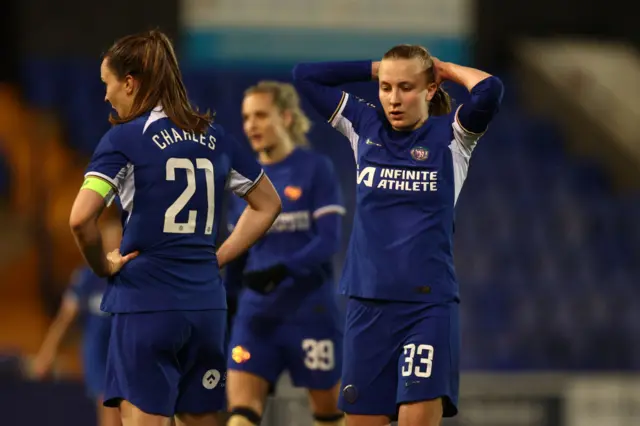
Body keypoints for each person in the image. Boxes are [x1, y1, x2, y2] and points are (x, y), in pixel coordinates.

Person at [68, 30, 281, 426]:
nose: (105, 96)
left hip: (145, 307)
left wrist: (103, 266)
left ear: (130, 83)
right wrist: (216, 257)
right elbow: (268, 204)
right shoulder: (216, 138)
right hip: (206, 306)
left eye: (108, 84)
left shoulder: (123, 141)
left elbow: (80, 219)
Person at [292, 45, 504, 426]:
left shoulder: (453, 137)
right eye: (386, 87)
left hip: (426, 308)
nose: (393, 98)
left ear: (428, 90)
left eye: (405, 87)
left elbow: (490, 90)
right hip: (367, 305)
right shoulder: (363, 124)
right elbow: (304, 74)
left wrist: (444, 68)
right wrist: (377, 68)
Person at [223, 81, 346, 426]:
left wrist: (281, 270)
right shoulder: (241, 181)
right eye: (247, 117)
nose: (251, 125)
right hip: (256, 316)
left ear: (287, 117)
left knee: (329, 414)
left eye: (261, 115)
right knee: (241, 413)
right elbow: (237, 251)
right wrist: (228, 302)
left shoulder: (315, 170)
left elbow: (327, 242)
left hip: (309, 312)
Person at [33, 220, 122, 426]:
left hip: (125, 353)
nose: (114, 246)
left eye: (119, 241)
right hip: (98, 355)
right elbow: (65, 319)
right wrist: (47, 353)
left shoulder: (133, 279)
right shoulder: (86, 278)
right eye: (109, 241)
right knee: (108, 409)